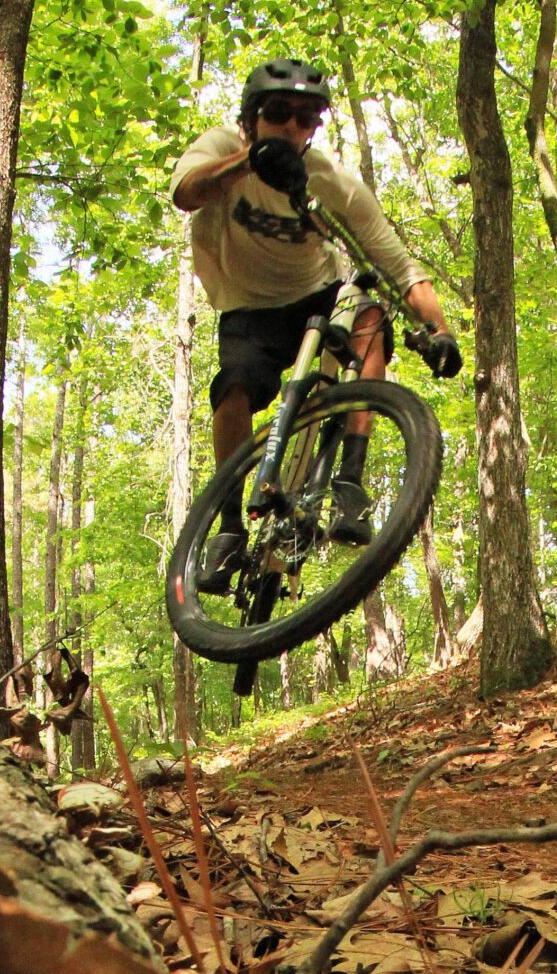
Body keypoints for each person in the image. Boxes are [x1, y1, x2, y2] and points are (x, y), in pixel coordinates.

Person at [170, 58, 461, 591]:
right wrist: (249, 163)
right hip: (246, 307)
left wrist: (440, 330)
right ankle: (229, 527)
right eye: (279, 114)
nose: (293, 129)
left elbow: (399, 266)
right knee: (233, 387)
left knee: (370, 316)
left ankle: (349, 480)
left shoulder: (327, 180)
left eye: (308, 120)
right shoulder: (220, 146)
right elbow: (186, 191)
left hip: (316, 295)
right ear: (252, 118)